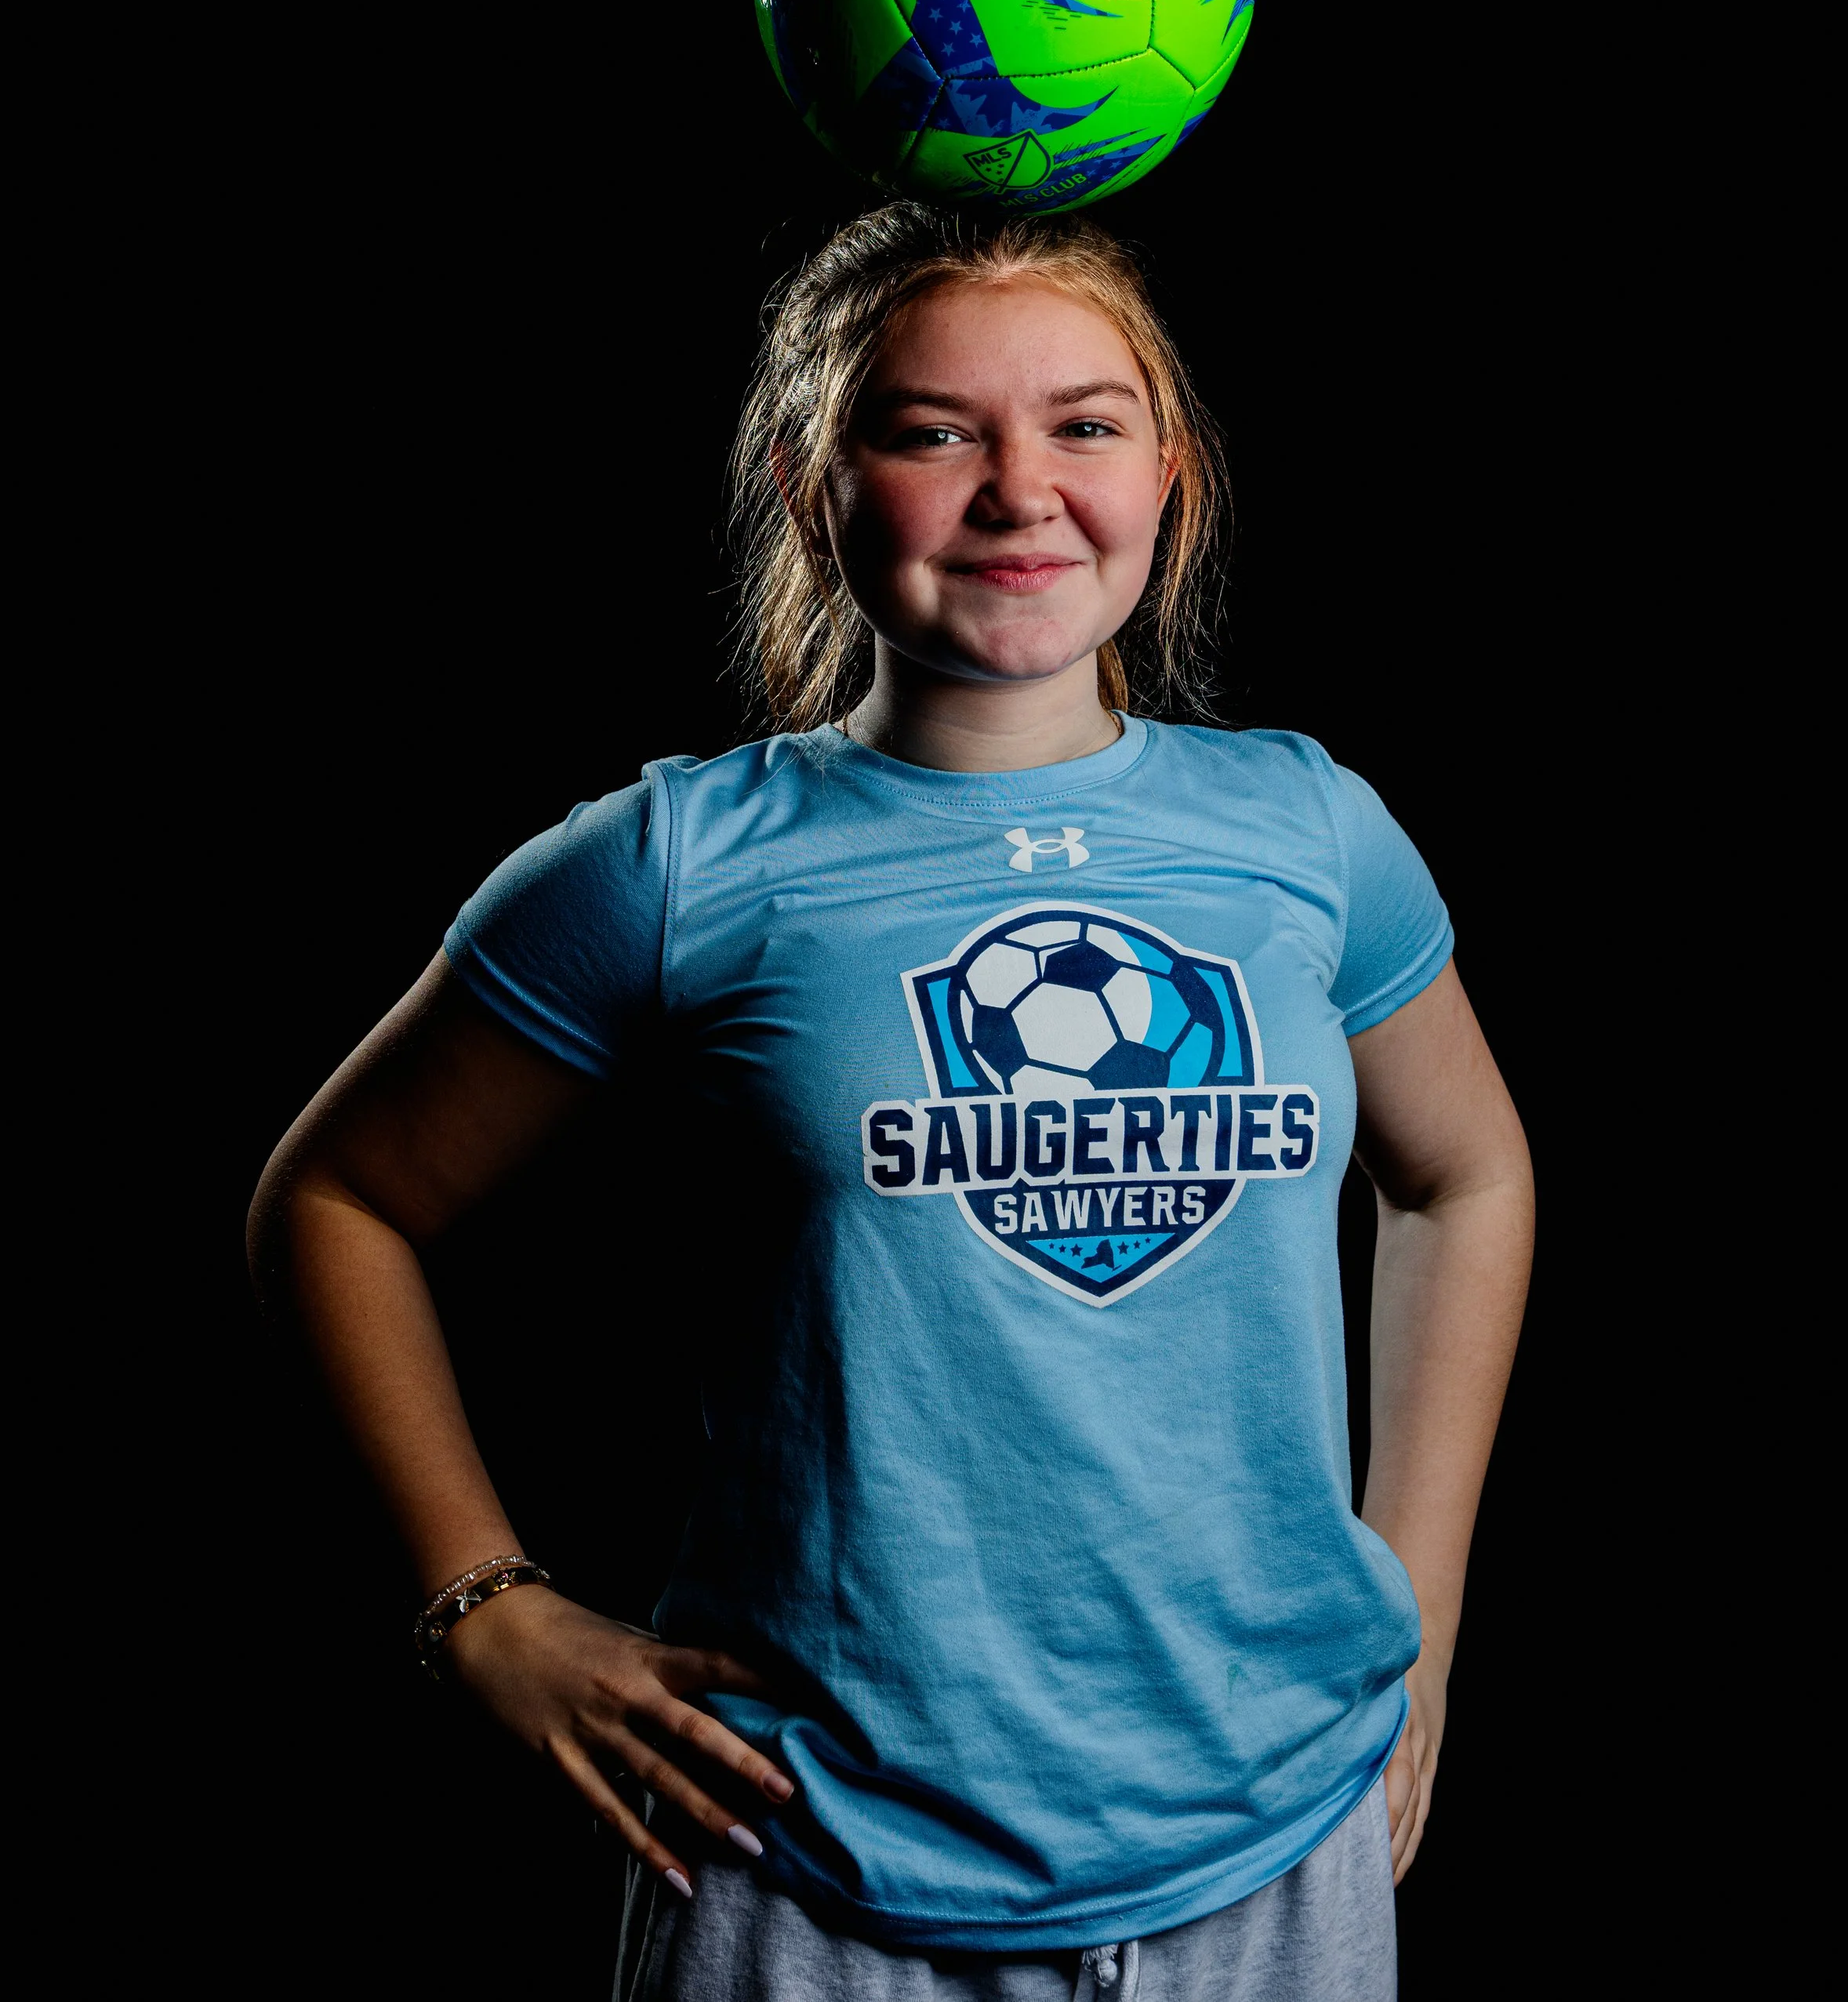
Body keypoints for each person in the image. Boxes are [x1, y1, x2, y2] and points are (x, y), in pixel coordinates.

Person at [248, 203, 1533, 2000]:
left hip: (1271, 1843)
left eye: (1083, 423)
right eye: (932, 431)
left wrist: (1420, 1604)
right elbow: (335, 1204)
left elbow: (1463, 1171)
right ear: (808, 479)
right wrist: (484, 1606)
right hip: (812, 1863)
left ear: (1167, 470)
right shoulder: (676, 867)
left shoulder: (1308, 834)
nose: (1020, 489)